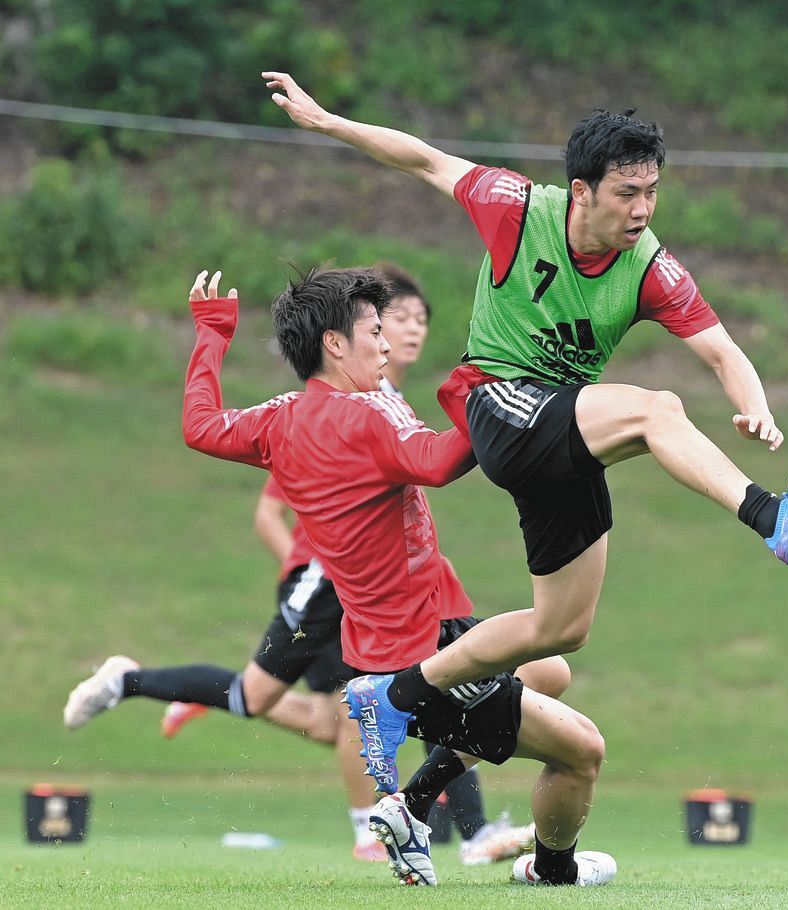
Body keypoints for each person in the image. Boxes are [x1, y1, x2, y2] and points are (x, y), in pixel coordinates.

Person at [262, 73, 788, 806]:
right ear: (581, 191)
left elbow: (722, 350)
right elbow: (423, 158)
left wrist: (755, 405)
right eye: (625, 194)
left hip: (560, 431)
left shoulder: (650, 267)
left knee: (560, 630)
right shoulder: (516, 208)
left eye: (651, 193)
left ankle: (393, 703)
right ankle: (774, 517)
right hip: (498, 405)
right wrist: (327, 121)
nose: (642, 210)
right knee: (654, 409)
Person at [69, 267, 613, 887]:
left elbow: (200, 425)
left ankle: (409, 804)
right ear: (335, 343)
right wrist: (480, 395)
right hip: (425, 647)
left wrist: (213, 334)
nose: (386, 344)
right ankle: (550, 873)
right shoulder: (365, 417)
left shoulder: (280, 419)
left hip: (389, 641)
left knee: (550, 667)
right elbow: (436, 464)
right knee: (581, 753)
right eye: (376, 331)